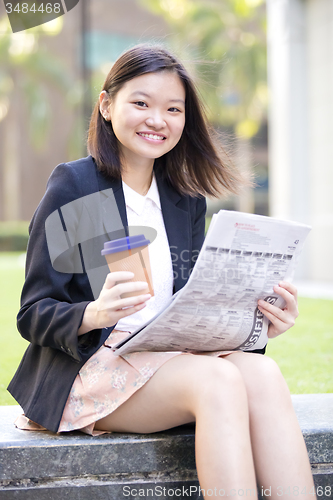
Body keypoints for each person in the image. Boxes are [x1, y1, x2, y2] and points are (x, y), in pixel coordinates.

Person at [8, 44, 316, 499]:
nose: (158, 119)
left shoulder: (183, 199)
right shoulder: (79, 186)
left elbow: (189, 308)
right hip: (91, 365)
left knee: (263, 374)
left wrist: (258, 322)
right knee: (217, 381)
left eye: (173, 109)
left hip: (163, 355)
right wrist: (93, 312)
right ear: (107, 104)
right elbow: (33, 312)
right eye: (141, 103)